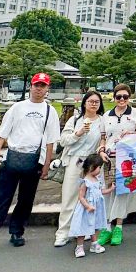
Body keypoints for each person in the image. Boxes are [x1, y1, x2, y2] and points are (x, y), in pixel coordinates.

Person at [0, 72, 60, 258]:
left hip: (34, 160)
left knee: (25, 200)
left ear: (47, 89)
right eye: (36, 85)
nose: (39, 89)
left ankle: (17, 231)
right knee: (1, 201)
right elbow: (2, 134)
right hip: (12, 157)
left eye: (43, 86)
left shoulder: (49, 111)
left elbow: (50, 142)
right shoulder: (17, 108)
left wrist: (46, 165)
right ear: (31, 86)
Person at [54, 90, 107, 247]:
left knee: (93, 198)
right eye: (90, 101)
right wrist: (78, 133)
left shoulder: (102, 121)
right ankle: (63, 232)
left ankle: (89, 231)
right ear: (84, 103)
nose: (93, 104)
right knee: (70, 197)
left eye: (97, 102)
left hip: (92, 164)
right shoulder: (75, 119)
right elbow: (63, 140)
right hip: (75, 160)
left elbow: (104, 140)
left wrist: (102, 149)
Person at [99, 83, 136, 246]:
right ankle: (106, 227)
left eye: (125, 96)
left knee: (122, 191)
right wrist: (102, 150)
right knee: (108, 190)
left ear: (129, 97)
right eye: (119, 97)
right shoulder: (107, 116)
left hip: (127, 158)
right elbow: (103, 137)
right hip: (109, 157)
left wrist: (131, 133)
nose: (122, 100)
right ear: (114, 97)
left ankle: (118, 226)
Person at [69, 153, 113, 258]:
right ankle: (79, 246)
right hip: (87, 209)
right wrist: (87, 206)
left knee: (96, 226)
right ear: (91, 167)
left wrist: (110, 189)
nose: (99, 170)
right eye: (99, 167)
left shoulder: (97, 180)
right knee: (83, 227)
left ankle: (94, 243)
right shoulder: (85, 181)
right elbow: (81, 196)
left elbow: (100, 191)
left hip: (97, 207)